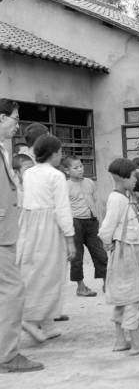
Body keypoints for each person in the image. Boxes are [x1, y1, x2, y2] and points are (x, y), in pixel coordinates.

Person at [18, 135, 76, 343]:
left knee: (33, 271)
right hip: (49, 227)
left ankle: (47, 322)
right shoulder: (56, 176)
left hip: (29, 224)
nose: (61, 156)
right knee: (50, 273)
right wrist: (70, 238)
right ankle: (32, 320)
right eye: (60, 152)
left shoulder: (29, 173)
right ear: (53, 154)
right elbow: (62, 208)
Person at [99, 158, 139, 355]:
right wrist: (110, 244)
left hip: (128, 251)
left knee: (123, 298)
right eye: (133, 176)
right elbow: (107, 228)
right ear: (123, 177)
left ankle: (120, 340)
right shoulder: (117, 199)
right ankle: (136, 344)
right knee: (133, 297)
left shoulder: (124, 198)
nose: (136, 180)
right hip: (127, 253)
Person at [0, 99, 43, 372]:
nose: (18, 124)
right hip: (1, 233)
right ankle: (7, 356)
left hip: (7, 230)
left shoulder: (4, 151)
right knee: (13, 292)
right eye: (14, 118)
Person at [63, 155, 107, 297]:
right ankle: (81, 287)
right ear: (67, 171)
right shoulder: (65, 185)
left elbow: (96, 202)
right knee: (77, 256)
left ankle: (107, 283)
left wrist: (100, 220)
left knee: (100, 253)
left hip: (92, 221)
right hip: (75, 222)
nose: (80, 169)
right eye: (76, 168)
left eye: (81, 166)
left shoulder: (89, 182)